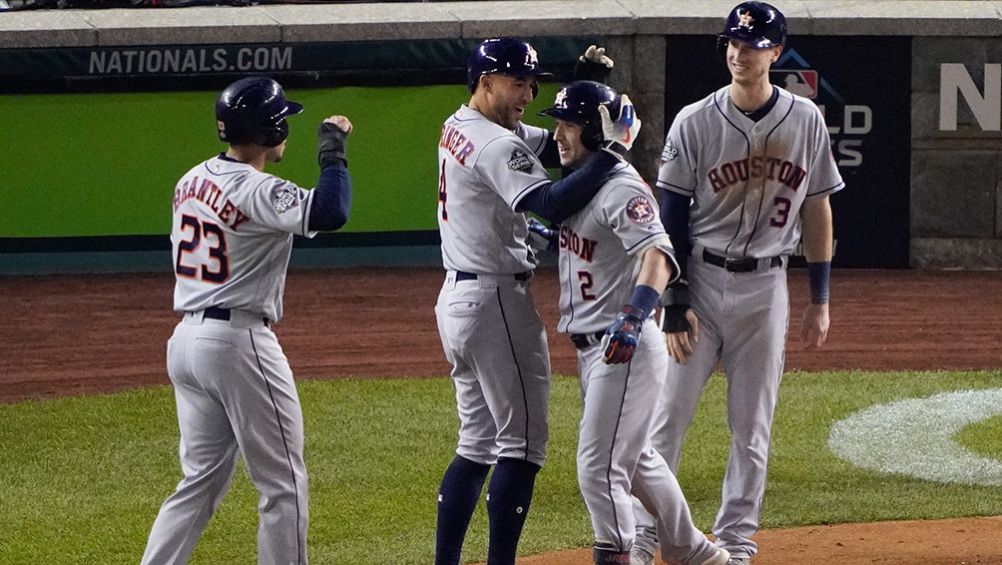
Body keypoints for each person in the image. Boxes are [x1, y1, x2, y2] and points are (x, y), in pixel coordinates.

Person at [631, 3, 845, 565]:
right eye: (732, 42)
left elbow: (818, 211)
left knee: (752, 427)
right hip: (697, 278)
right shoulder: (695, 120)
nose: (738, 53)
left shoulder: (806, 121)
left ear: (776, 53)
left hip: (767, 288)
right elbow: (669, 214)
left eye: (751, 45)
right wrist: (673, 300)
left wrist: (819, 297)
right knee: (665, 417)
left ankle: (737, 542)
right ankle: (648, 533)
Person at [433, 37, 638, 565]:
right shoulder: (493, 143)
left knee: (476, 443)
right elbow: (549, 197)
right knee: (523, 448)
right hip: (494, 298)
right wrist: (614, 150)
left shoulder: (463, 124)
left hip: (459, 299)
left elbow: (560, 144)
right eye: (517, 82)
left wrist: (581, 87)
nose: (527, 93)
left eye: (532, 83)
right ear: (485, 83)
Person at [141, 76, 354, 565]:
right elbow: (330, 210)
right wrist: (333, 150)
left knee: (198, 481)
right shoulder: (256, 189)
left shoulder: (189, 179)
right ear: (273, 127)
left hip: (187, 342)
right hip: (238, 342)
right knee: (283, 482)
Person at [532, 80, 731, 565]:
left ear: (598, 133)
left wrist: (633, 313)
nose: (558, 135)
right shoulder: (580, 184)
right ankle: (696, 553)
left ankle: (620, 555)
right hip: (594, 349)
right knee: (639, 461)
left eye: (570, 126)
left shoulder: (621, 187)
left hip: (623, 344)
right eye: (557, 123)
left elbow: (658, 256)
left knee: (598, 471)